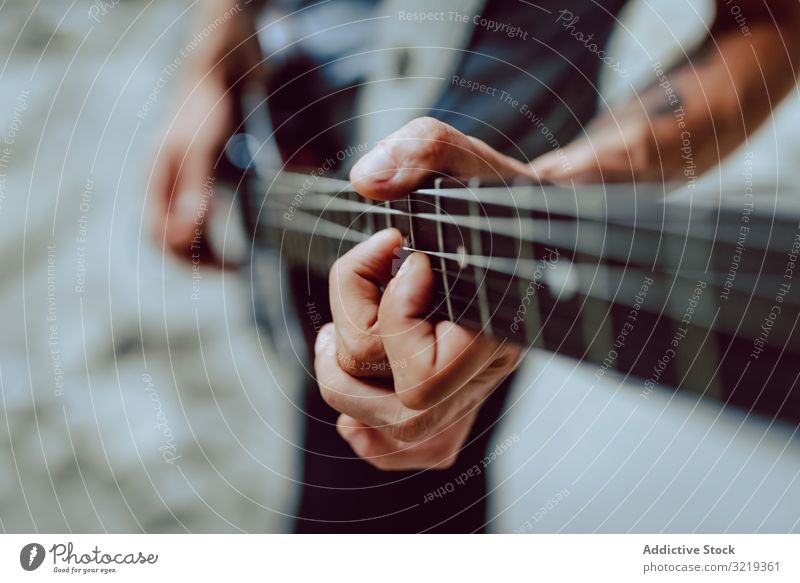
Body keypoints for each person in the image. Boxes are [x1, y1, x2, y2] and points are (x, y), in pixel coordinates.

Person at [150, 0, 800, 532]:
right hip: (278, 150)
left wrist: (545, 192)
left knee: (385, 509)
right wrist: (209, 63)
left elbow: (771, 25)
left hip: (463, 268)